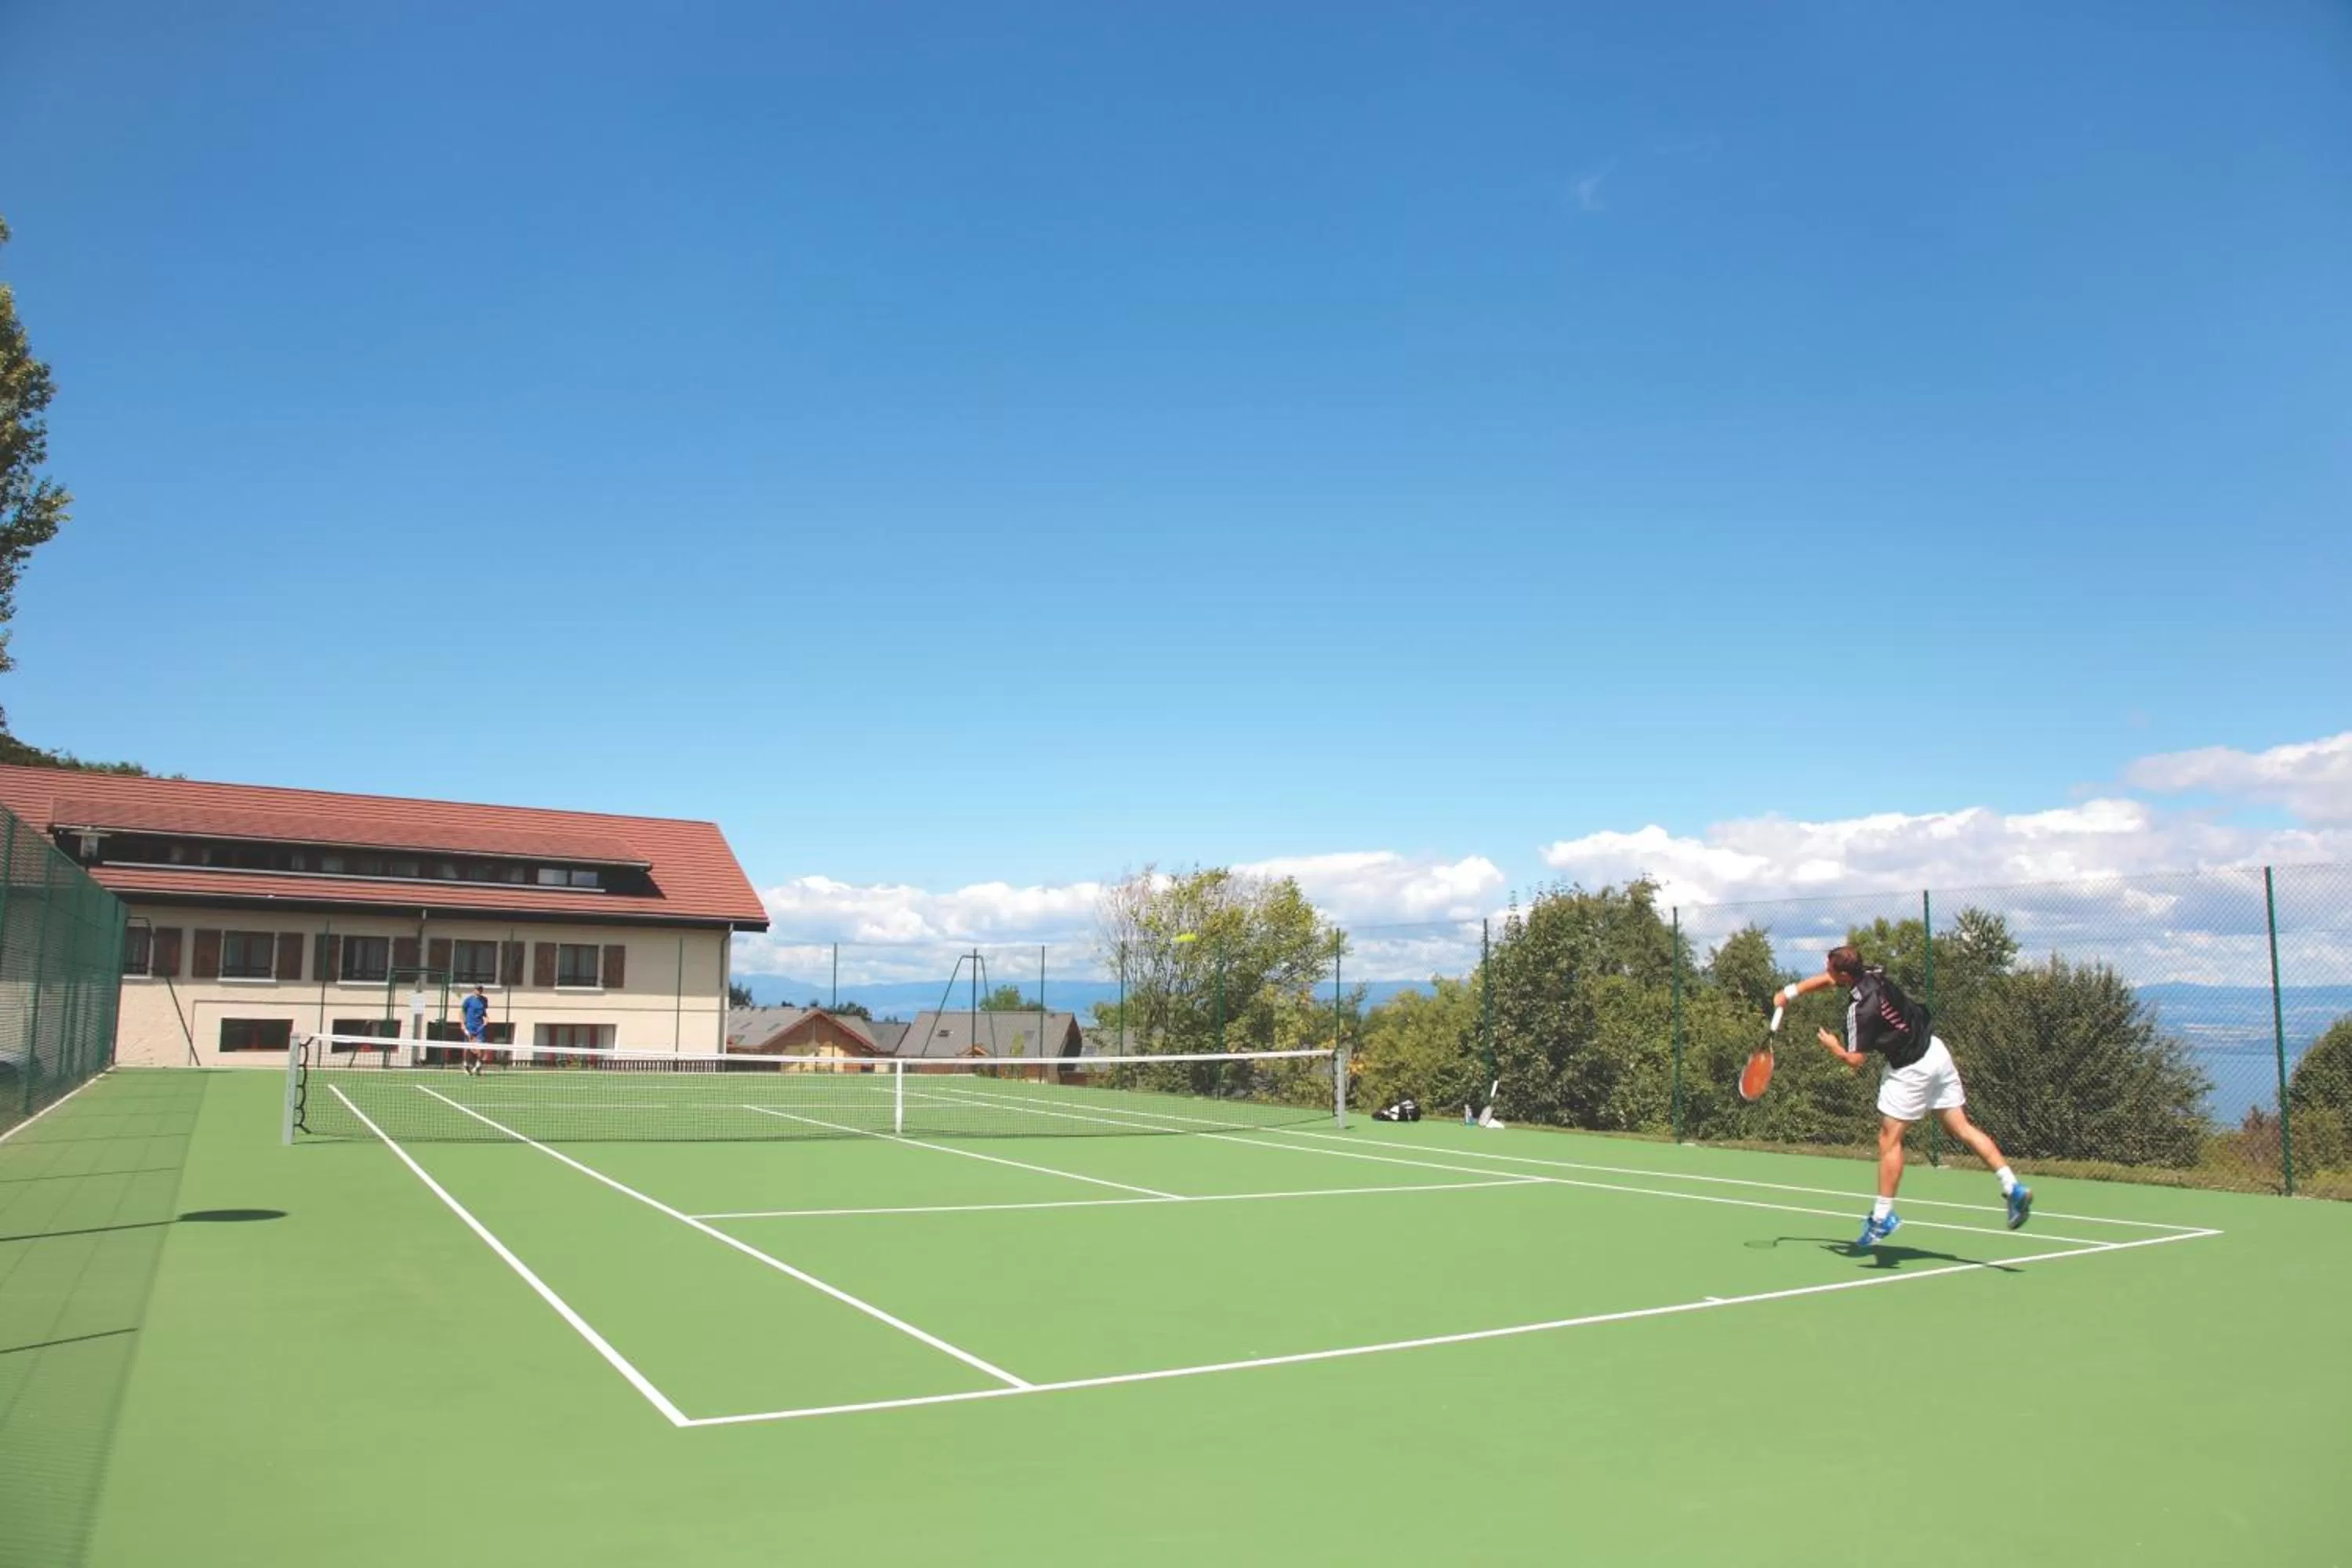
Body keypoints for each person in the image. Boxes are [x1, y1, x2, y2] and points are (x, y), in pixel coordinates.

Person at [1777, 945, 2031, 1250]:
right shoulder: (1873, 973)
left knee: (1889, 1141)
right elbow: (1829, 981)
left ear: (1845, 974)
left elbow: (1856, 1061)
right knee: (1961, 1128)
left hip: (1910, 1070)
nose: (1826, 971)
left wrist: (1834, 1048)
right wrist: (1789, 993)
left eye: (1830, 967)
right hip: (1936, 1052)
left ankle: (1883, 1217)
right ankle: (2011, 1186)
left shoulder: (1860, 1010)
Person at [460, 985, 493, 1076]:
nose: (479, 991)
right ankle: (466, 1065)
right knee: (467, 1047)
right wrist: (463, 1024)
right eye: (478, 989)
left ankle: (478, 1066)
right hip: (470, 1026)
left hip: (480, 1027)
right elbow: (462, 1011)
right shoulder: (468, 1000)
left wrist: (486, 1018)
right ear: (474, 990)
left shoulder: (484, 1000)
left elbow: (484, 1012)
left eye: (481, 989)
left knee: (481, 1046)